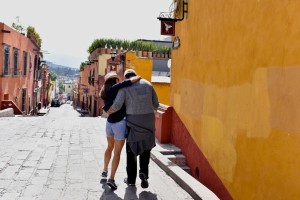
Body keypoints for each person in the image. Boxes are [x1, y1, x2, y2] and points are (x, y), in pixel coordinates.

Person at [107, 69, 159, 189]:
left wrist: (108, 111)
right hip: (149, 122)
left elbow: (117, 105)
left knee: (131, 152)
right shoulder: (148, 84)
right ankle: (144, 173)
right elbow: (156, 104)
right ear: (135, 76)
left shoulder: (125, 87)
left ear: (126, 78)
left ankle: (131, 180)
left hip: (133, 122)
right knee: (146, 149)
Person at [100, 71, 140, 190]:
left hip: (109, 123)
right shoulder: (115, 88)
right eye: (117, 79)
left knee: (109, 147)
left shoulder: (104, 91)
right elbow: (129, 81)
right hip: (119, 124)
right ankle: (111, 179)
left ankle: (105, 170)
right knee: (117, 152)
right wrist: (139, 77)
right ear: (115, 80)